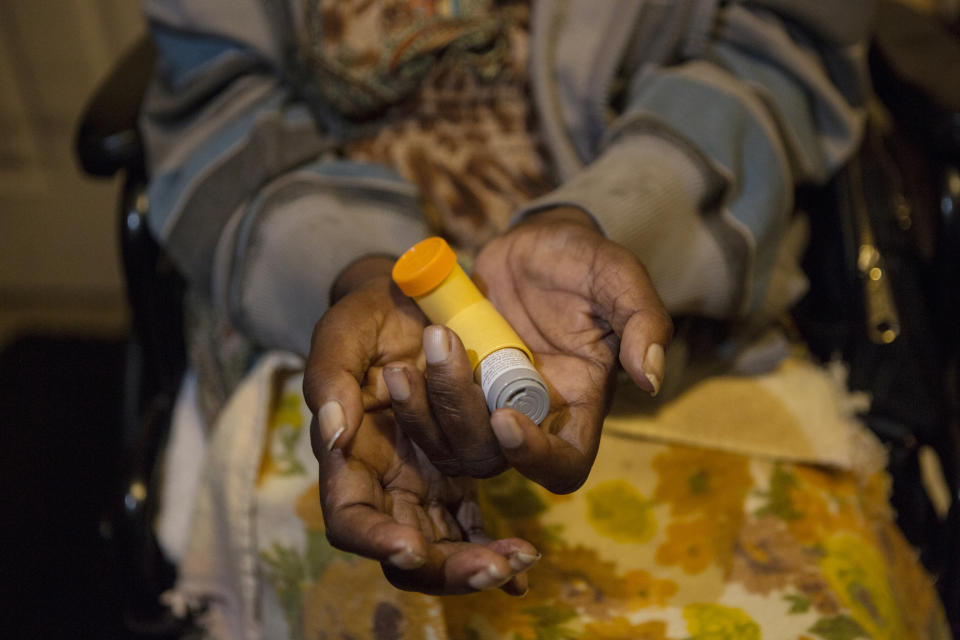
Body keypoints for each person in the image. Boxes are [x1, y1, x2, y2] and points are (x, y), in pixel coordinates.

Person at [141, 0, 950, 637]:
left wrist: (602, 220)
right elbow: (224, 107)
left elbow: (778, 51)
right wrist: (357, 273)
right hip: (319, 310)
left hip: (680, 297)